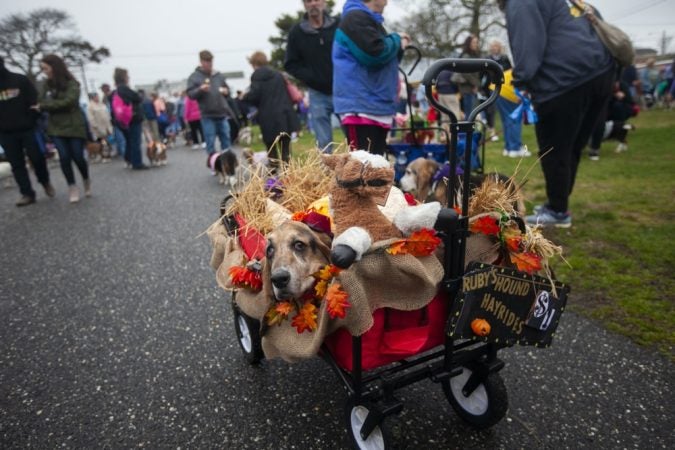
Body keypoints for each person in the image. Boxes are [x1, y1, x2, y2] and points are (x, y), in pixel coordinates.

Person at [499, 0, 615, 227]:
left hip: (562, 81)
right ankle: (559, 203)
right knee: (572, 146)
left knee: (554, 150)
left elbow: (528, 44)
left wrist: (521, 81)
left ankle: (557, 210)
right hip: (599, 71)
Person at [332, 0, 411, 155]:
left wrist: (398, 47)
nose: (387, 2)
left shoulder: (368, 21)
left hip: (375, 104)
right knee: (362, 168)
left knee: (375, 166)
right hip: (361, 107)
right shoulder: (355, 18)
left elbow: (386, 60)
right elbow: (375, 53)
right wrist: (396, 39)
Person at [284, 0, 339, 153]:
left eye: (317, 0)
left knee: (354, 136)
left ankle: (356, 173)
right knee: (323, 142)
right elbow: (290, 63)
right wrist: (310, 77)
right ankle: (326, 175)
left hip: (342, 89)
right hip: (317, 93)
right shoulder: (297, 32)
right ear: (304, 4)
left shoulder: (338, 25)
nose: (314, 3)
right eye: (309, 0)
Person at [0, 56, 54, 206]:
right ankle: (27, 193)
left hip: (27, 129)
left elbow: (35, 102)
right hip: (5, 133)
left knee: (37, 158)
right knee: (16, 164)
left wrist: (30, 119)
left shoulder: (20, 80)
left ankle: (44, 181)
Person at [38, 54, 91, 203]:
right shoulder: (45, 85)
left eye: (46, 68)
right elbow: (40, 101)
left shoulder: (72, 83)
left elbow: (69, 102)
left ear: (55, 67)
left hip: (74, 126)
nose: (45, 72)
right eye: (42, 69)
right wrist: (46, 105)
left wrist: (46, 106)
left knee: (78, 157)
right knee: (64, 157)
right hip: (56, 127)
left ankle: (86, 179)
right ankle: (72, 186)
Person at [243, 51, 299, 168]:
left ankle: (273, 176)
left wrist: (245, 97)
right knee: (285, 149)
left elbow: (254, 96)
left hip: (268, 117)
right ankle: (289, 176)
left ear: (254, 63)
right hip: (285, 115)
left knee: (271, 148)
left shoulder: (256, 76)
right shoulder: (278, 74)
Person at [186, 50, 234, 156]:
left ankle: (227, 165)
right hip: (207, 115)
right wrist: (200, 89)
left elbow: (228, 90)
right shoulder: (194, 77)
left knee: (226, 139)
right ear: (201, 61)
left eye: (211, 61)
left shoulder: (218, 75)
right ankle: (214, 166)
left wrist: (226, 92)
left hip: (222, 113)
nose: (209, 63)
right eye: (207, 61)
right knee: (210, 141)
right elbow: (190, 94)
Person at [112, 67, 149, 170]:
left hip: (124, 120)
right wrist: (141, 94)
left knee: (129, 140)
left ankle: (129, 159)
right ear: (123, 77)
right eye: (127, 76)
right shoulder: (124, 89)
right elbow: (137, 98)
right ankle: (137, 163)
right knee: (135, 141)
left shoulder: (117, 90)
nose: (129, 78)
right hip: (133, 118)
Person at [454, 34, 482, 120]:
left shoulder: (473, 55)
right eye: (474, 42)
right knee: (469, 113)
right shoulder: (466, 56)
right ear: (469, 43)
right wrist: (475, 85)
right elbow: (466, 73)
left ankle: (469, 131)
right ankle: (467, 132)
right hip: (468, 88)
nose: (475, 44)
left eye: (476, 42)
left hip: (470, 87)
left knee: (470, 112)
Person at [101, 83, 125, 159]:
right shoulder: (106, 97)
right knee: (117, 137)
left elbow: (110, 109)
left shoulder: (110, 96)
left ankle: (123, 153)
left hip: (115, 119)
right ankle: (120, 152)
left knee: (119, 137)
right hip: (113, 119)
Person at [86, 93, 113, 161]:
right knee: (100, 142)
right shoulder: (90, 106)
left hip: (106, 127)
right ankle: (102, 155)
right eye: (96, 97)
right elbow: (90, 118)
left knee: (106, 142)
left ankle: (107, 155)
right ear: (93, 98)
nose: (97, 98)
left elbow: (107, 114)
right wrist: (95, 125)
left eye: (98, 96)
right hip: (98, 128)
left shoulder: (102, 104)